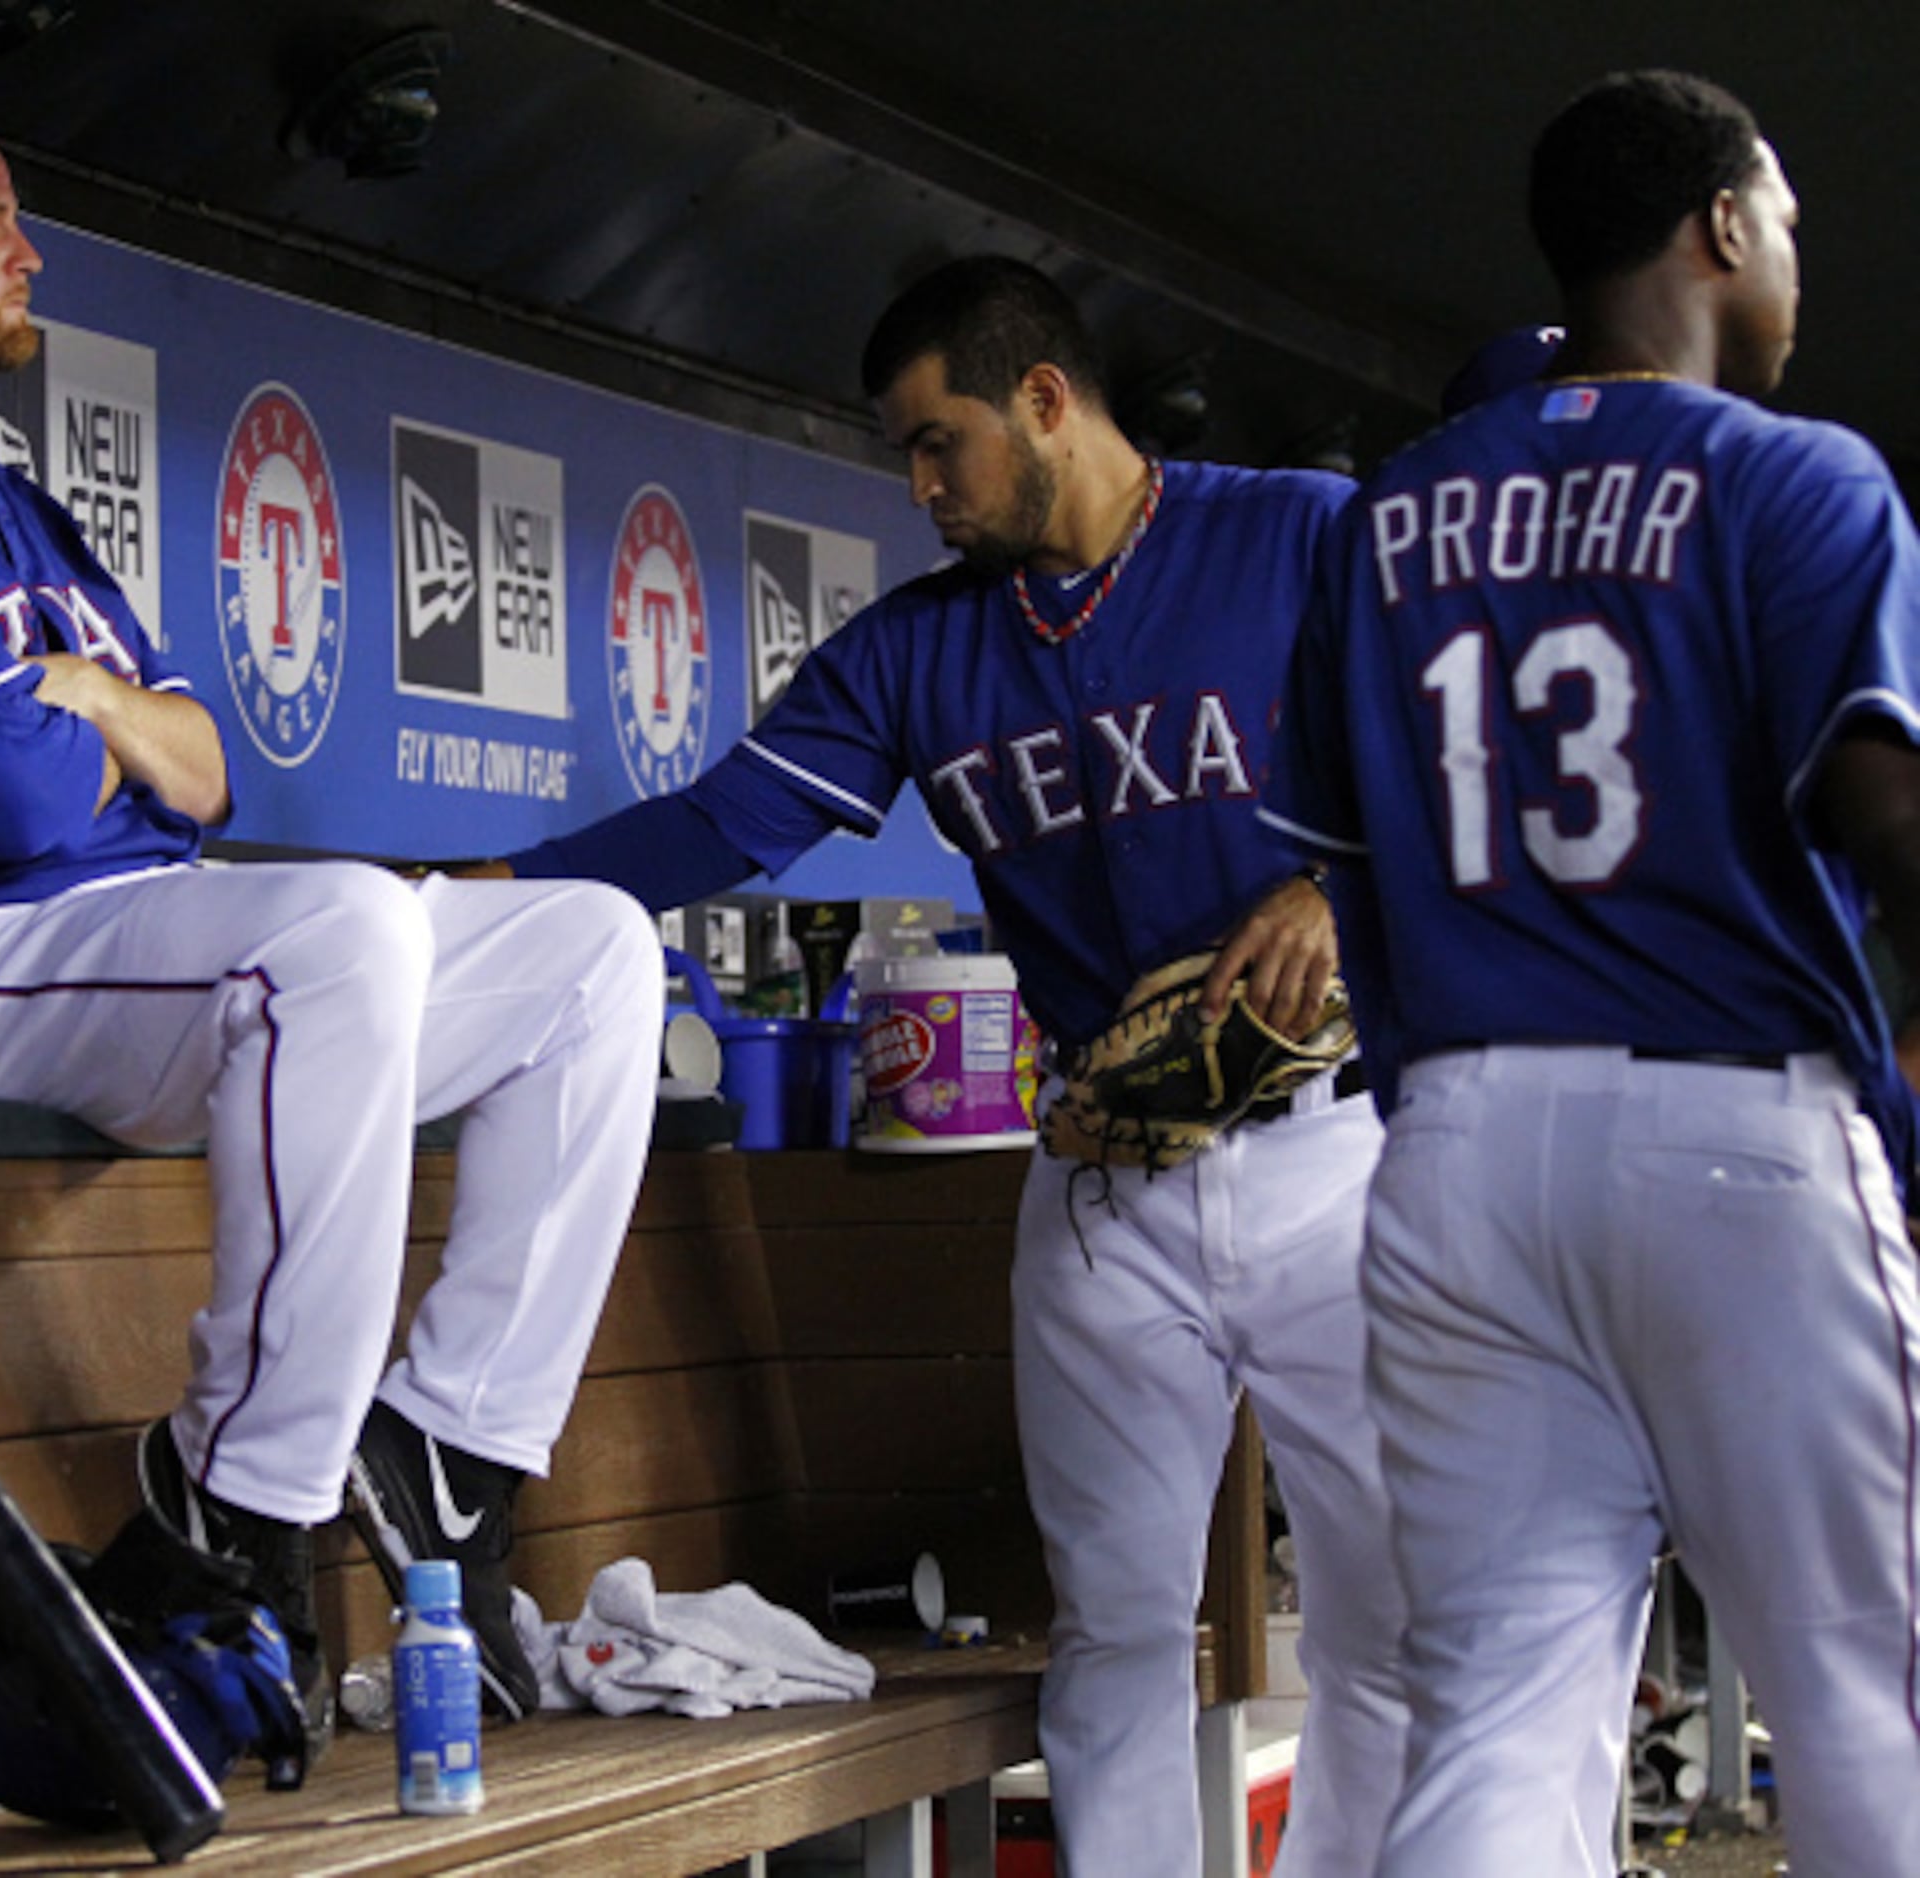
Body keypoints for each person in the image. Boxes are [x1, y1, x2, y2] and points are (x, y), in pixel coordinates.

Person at [0, 106, 663, 1743]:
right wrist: (95, 727)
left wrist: (74, 699)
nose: (26, 249)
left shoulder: (15, 508)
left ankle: (442, 1450)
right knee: (337, 928)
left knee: (595, 951)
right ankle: (234, 1504)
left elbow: (201, 771)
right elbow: (0, 804)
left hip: (123, 938)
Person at [488, 255, 1406, 1877]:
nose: (918, 486)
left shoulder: (1296, 534)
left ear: (1044, 399)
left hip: (1332, 1148)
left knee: (1389, 1614)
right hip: (1108, 1183)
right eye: (904, 455)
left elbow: (1459, 744)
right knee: (1113, 1636)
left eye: (938, 443)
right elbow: (721, 822)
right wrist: (486, 901)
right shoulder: (920, 652)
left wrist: (1340, 880)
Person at [1263, 69, 1920, 1875]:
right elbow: (1885, 811)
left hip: (1460, 1155)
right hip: (1729, 1130)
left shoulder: (1382, 517)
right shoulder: (1795, 476)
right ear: (1716, 227)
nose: (1794, 257)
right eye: (1781, 218)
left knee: (1495, 1705)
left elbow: (1347, 870)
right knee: (1867, 1685)